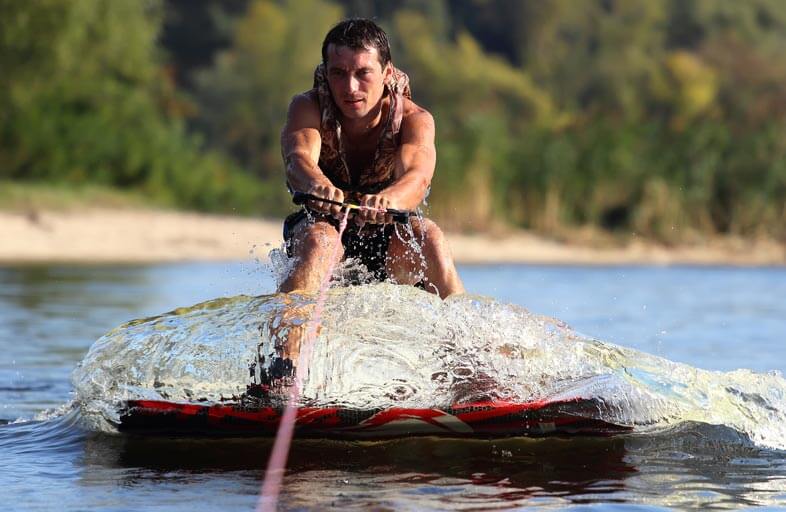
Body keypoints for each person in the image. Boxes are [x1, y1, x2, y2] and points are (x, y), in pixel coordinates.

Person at [278, 18, 464, 299]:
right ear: (326, 73)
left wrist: (390, 199)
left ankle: (468, 339)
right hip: (323, 230)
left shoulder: (415, 120)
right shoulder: (307, 107)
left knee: (431, 238)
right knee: (320, 241)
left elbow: (418, 177)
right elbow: (298, 158)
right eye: (338, 73)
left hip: (390, 240)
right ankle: (290, 336)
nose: (350, 88)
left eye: (363, 73)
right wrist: (316, 183)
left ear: (387, 72)